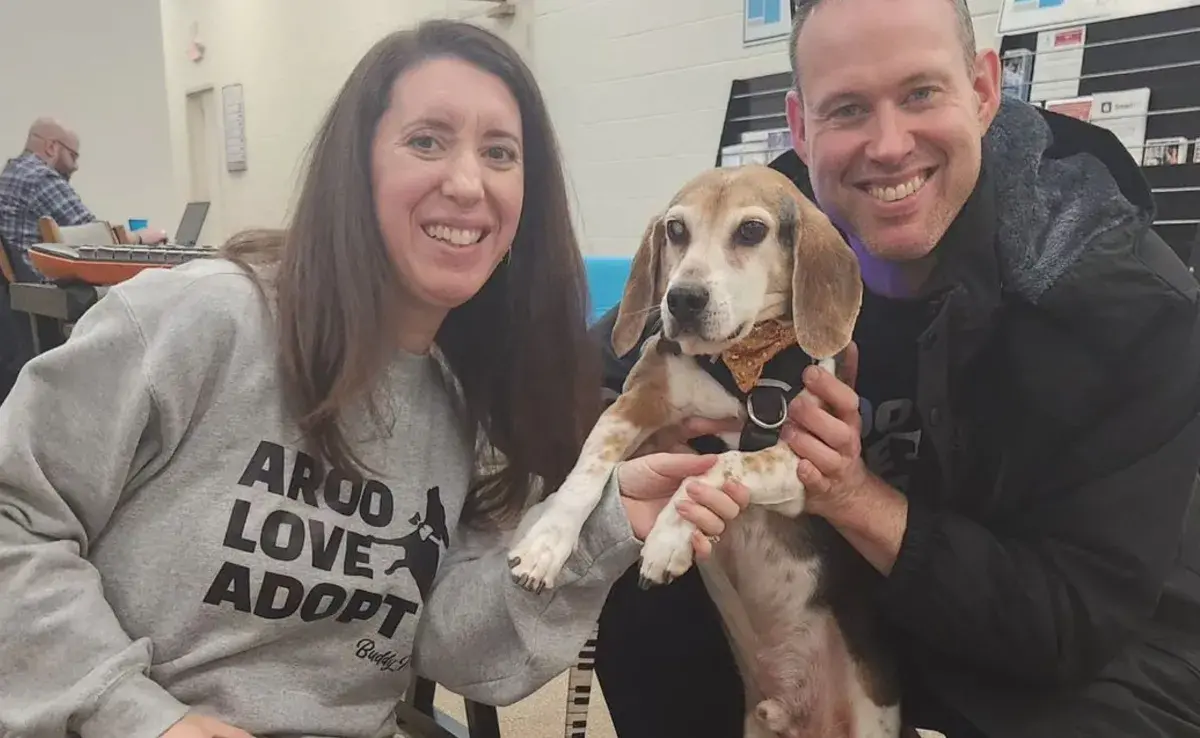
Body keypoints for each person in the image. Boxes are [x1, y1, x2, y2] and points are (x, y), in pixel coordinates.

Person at [0, 20, 750, 738]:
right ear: (356, 165)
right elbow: (15, 520)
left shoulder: (476, 406)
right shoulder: (202, 320)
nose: (466, 182)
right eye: (427, 141)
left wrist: (606, 526)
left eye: (500, 153)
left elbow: (459, 650)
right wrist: (137, 718)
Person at [592, 0, 1200, 736]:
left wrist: (851, 495)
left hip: (1078, 654)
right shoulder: (775, 214)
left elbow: (1067, 623)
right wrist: (634, 442)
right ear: (801, 124)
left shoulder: (1126, 303)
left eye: (920, 93)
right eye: (846, 108)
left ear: (982, 90)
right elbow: (608, 359)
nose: (886, 146)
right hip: (855, 610)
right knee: (647, 590)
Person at [0, 117, 167, 282]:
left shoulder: (10, 173)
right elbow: (99, 242)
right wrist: (140, 238)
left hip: (19, 295)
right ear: (51, 147)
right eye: (73, 156)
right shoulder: (40, 177)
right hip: (46, 295)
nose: (75, 166)